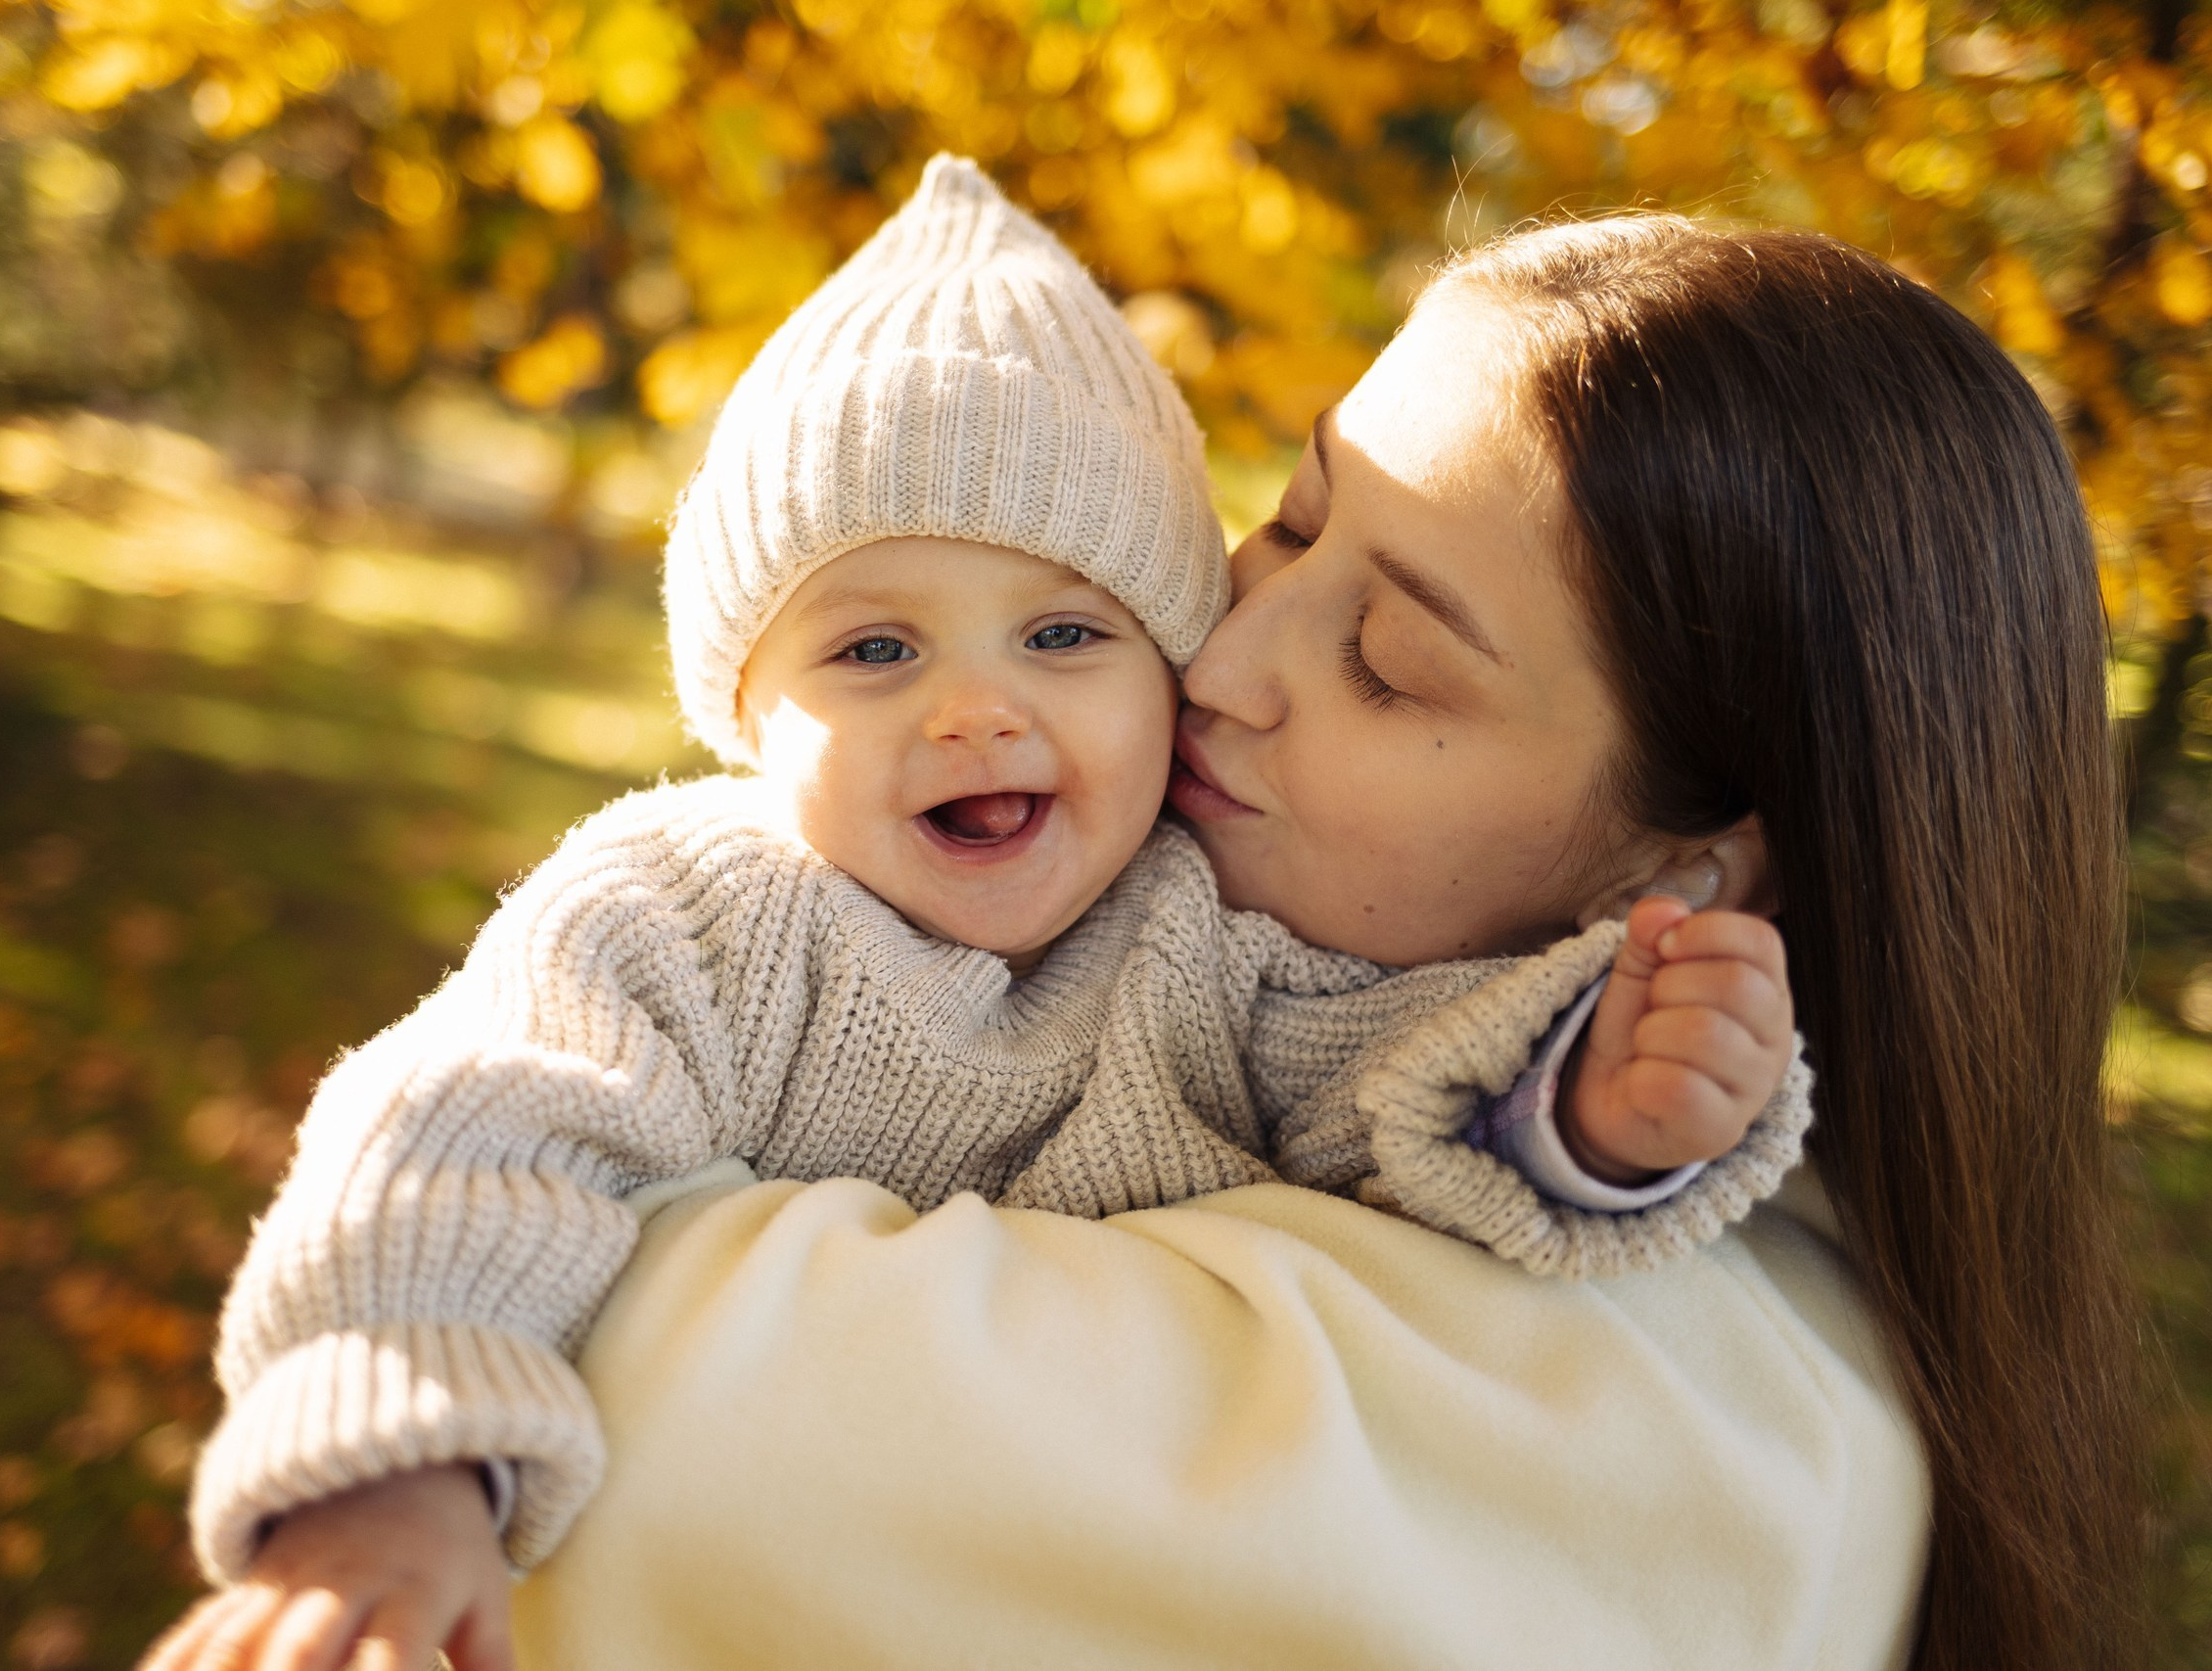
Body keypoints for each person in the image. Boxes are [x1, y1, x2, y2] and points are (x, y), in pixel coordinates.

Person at [141, 169, 1808, 1671]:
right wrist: (395, 1468)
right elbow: (463, 1128)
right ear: (742, 709)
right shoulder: (696, 914)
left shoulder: (1209, 936)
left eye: (1067, 638)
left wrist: (1595, 1105)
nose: (974, 714)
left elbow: (1397, 1088)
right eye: (873, 652)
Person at [508, 217, 2145, 1671]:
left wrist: (1590, 1131)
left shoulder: (1680, 1427)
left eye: (1386, 658)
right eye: (1292, 523)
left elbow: (658, 1427)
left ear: (1692, 871)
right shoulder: (1019, 887)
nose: (1219, 655)